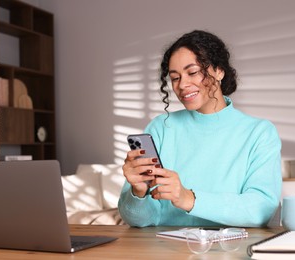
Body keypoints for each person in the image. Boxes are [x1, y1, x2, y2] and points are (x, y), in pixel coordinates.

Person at [118, 30, 282, 227]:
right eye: (175, 77)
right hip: (164, 251)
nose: (183, 84)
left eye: (193, 72)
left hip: (229, 251)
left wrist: (188, 198)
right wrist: (138, 193)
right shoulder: (160, 128)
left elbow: (260, 209)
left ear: (219, 71)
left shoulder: (259, 133)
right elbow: (140, 220)